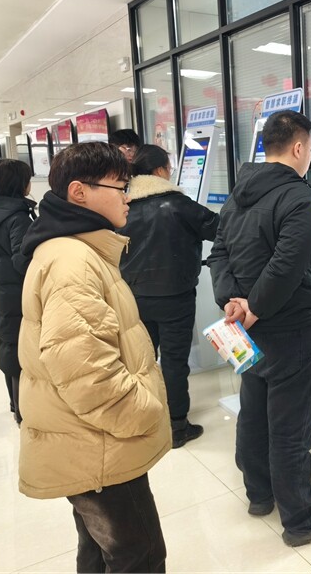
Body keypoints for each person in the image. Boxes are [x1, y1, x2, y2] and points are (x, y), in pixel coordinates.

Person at [18, 142, 170, 573]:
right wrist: (142, 410)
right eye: (120, 186)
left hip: (87, 442)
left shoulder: (73, 249)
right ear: (79, 192)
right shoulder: (73, 262)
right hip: (99, 446)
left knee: (100, 552)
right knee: (139, 556)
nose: (128, 197)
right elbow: (84, 369)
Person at [207, 110, 311, 547]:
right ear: (298, 147)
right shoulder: (299, 199)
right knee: (292, 426)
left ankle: (260, 493)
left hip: (245, 327)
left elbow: (218, 253)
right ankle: (302, 518)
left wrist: (233, 303)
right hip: (291, 329)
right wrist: (253, 307)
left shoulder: (239, 194)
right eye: (310, 149)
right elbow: (288, 265)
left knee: (254, 411)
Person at [119, 144, 220, 448]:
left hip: (135, 297)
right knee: (175, 362)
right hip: (176, 297)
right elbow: (219, 229)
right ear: (161, 170)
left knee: (142, 360)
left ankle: (148, 419)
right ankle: (177, 426)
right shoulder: (179, 204)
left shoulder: (124, 205)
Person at [0, 159, 36, 425]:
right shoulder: (18, 216)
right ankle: (24, 411)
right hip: (18, 293)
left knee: (8, 342)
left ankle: (14, 404)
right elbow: (22, 260)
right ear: (18, 183)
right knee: (21, 348)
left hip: (1, 292)